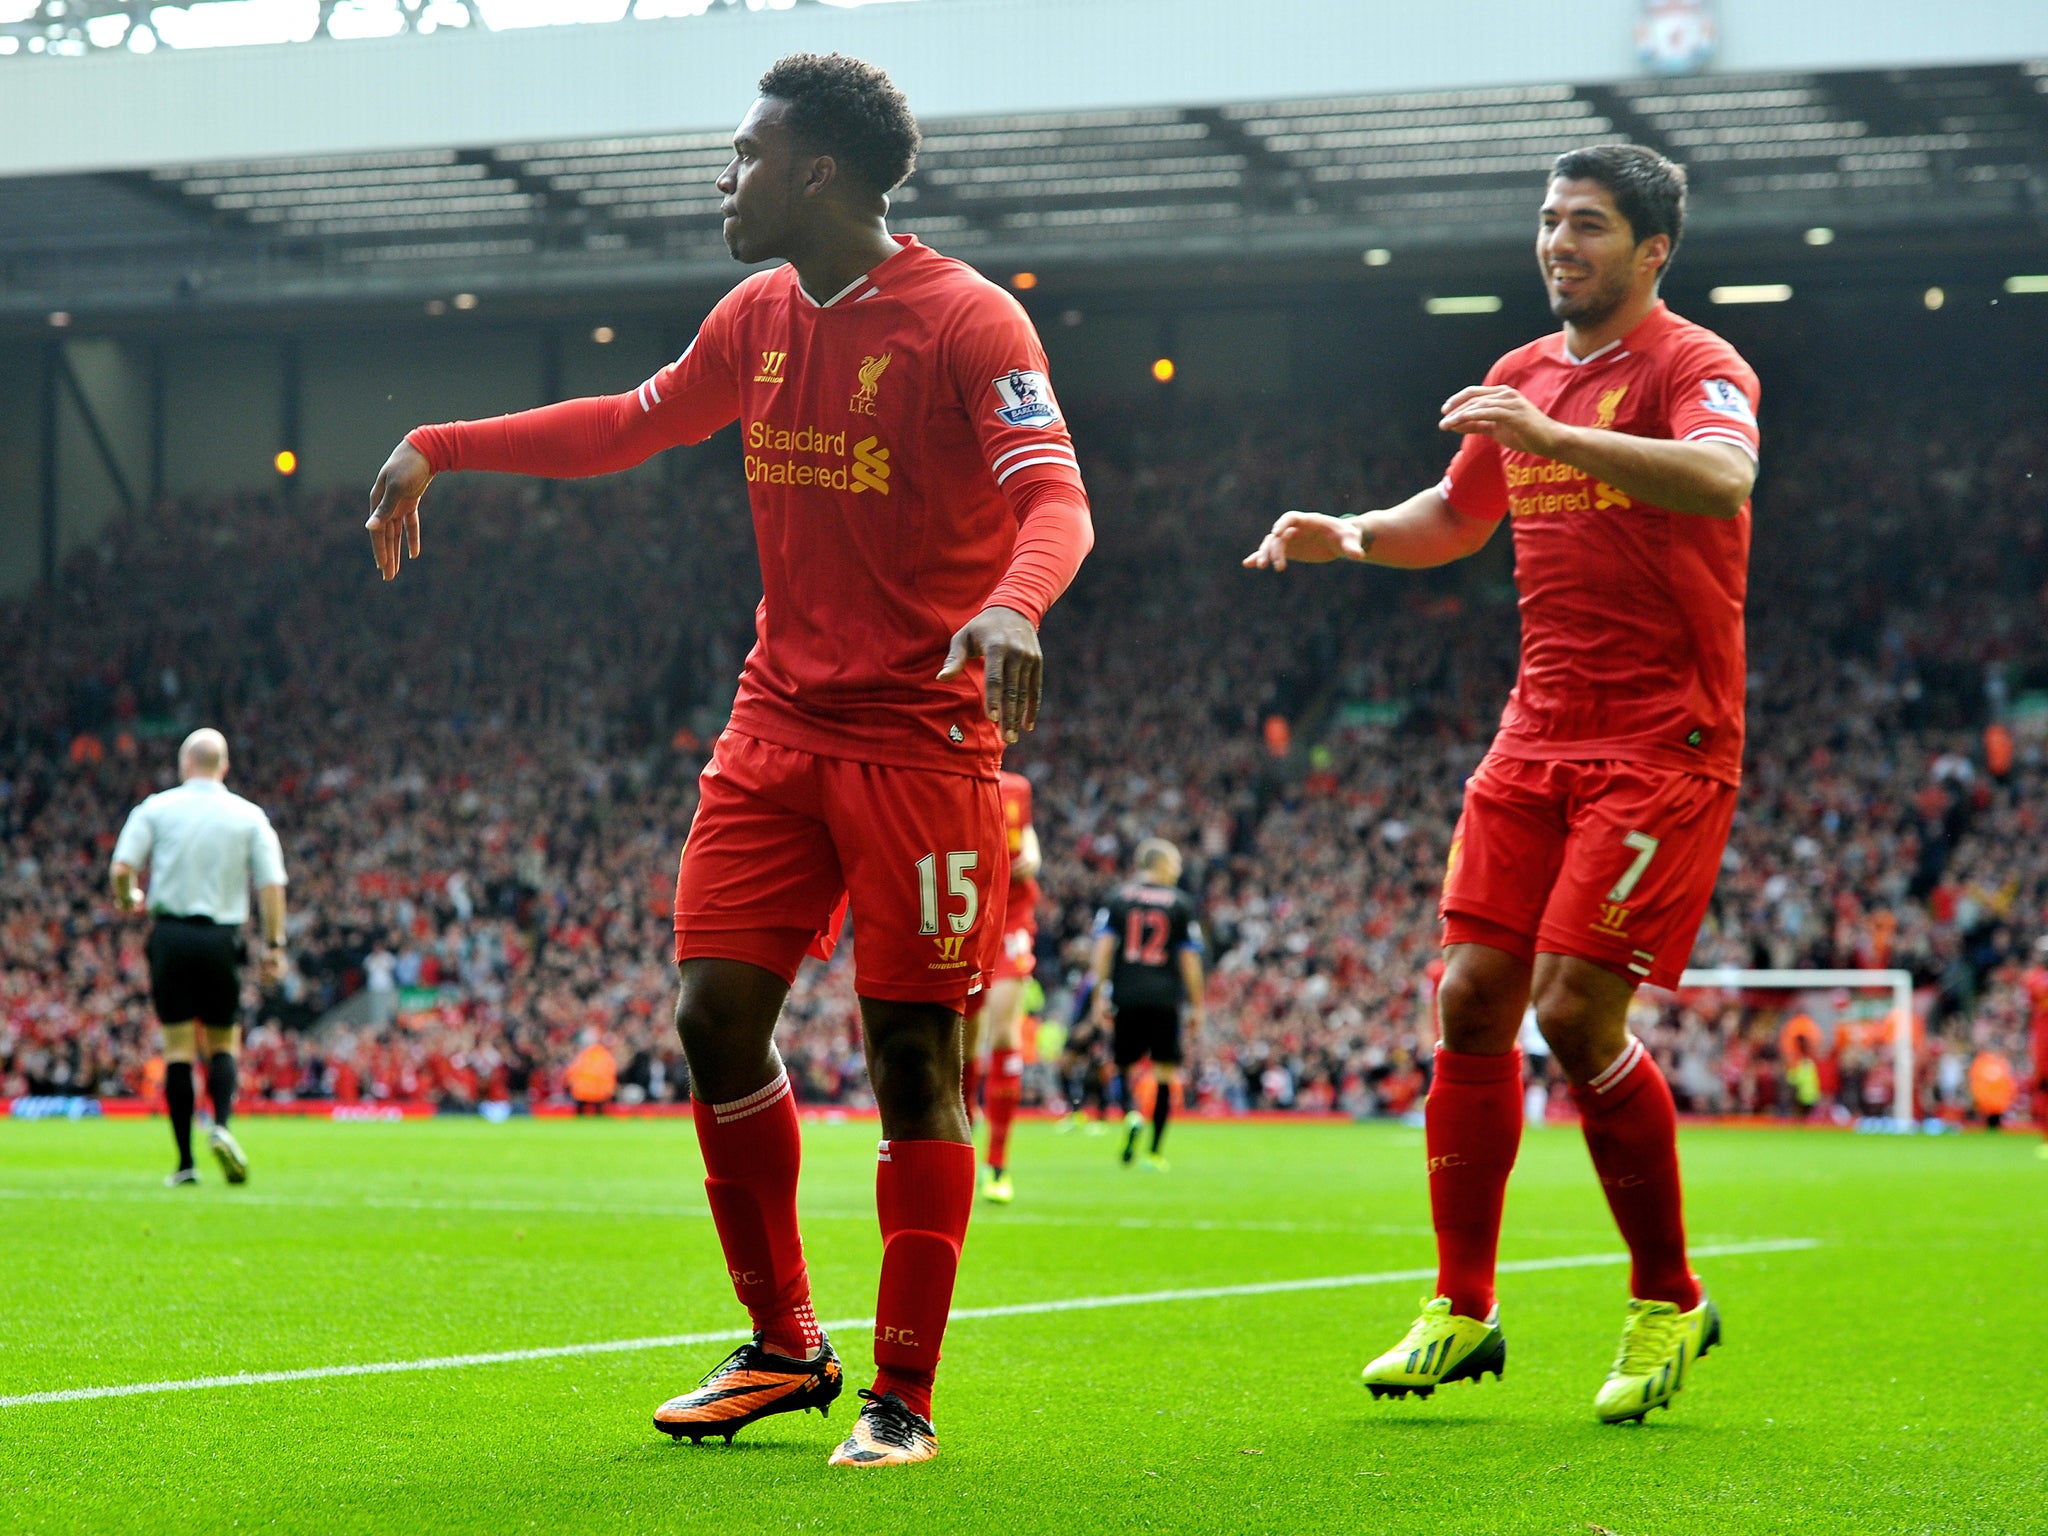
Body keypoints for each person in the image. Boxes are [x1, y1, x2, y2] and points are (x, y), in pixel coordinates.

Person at [362, 53, 1091, 1468]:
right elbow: (632, 425)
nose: (725, 177)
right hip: (776, 728)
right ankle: (784, 1344)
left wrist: (1015, 600)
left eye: (748, 154)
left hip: (923, 743)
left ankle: (905, 1394)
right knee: (710, 1018)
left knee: (910, 1059)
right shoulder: (757, 313)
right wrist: (440, 445)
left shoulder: (969, 321)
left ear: (820, 170)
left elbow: (1053, 495)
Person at [1248, 143, 1759, 1423]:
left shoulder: (1696, 366)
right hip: (1535, 732)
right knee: (1470, 994)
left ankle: (1664, 1299)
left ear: (1651, 250)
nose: (1556, 244)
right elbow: (1458, 513)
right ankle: (1461, 1309)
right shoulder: (1519, 377)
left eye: (1586, 225)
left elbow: (1723, 477)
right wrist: (1353, 534)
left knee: (1578, 1014)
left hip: (1663, 740)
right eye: (1545, 222)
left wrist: (1557, 436)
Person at [109, 728, 289, 1187]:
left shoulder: (156, 808)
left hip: (169, 936)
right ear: (224, 767)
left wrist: (129, 897)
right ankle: (223, 1127)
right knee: (223, 1042)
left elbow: (121, 869)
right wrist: (274, 945)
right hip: (220, 938)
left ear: (184, 764)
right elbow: (271, 884)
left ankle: (185, 1164)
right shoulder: (248, 816)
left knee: (177, 1050)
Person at [1085, 839, 1205, 1170]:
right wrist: (1197, 1005)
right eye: (1176, 862)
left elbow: (1103, 950)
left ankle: (1131, 1112)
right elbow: (1190, 960)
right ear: (1161, 863)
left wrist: (1098, 997)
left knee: (1123, 1064)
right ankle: (1154, 1152)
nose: (1179, 870)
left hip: (1127, 995)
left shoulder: (1118, 898)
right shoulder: (1180, 904)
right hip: (1165, 998)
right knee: (1165, 1071)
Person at [962, 767, 1041, 1202]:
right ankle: (963, 1141)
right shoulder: (950, 779)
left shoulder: (1017, 787)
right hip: (968, 912)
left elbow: (1026, 834)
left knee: (1005, 1030)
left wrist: (1032, 855)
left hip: (1012, 915)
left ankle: (997, 1163)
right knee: (966, 1041)